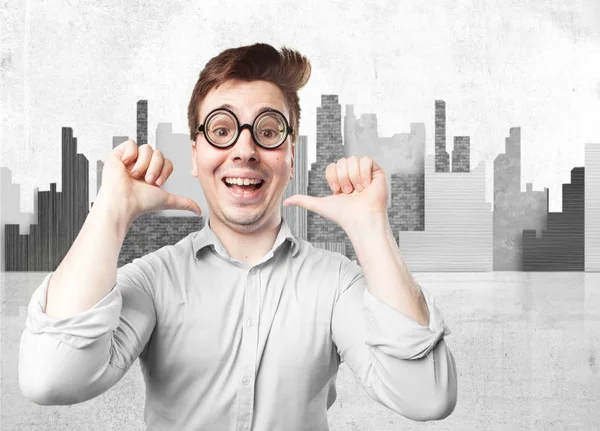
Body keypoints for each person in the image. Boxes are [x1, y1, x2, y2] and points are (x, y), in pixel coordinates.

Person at [18, 43, 457, 430]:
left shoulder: (336, 284)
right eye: (222, 131)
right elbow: (49, 379)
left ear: (289, 152)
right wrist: (111, 211)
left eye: (267, 132)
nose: (244, 150)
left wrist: (370, 230)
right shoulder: (154, 281)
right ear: (196, 153)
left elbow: (427, 398)